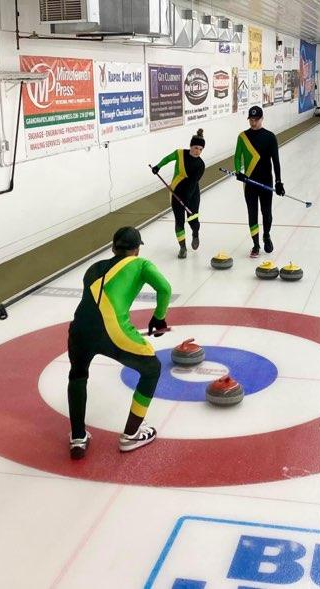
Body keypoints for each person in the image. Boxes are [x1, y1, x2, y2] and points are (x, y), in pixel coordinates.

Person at [66, 226, 172, 459]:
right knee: (152, 369)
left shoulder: (93, 269)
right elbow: (164, 288)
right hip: (113, 333)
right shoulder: (141, 264)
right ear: (136, 250)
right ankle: (131, 435)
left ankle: (78, 438)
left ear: (113, 248)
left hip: (79, 330)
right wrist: (159, 317)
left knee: (78, 374)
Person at [234, 106, 284, 258]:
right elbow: (237, 157)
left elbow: (275, 161)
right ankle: (255, 244)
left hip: (266, 181)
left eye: (256, 120)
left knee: (267, 213)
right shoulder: (242, 137)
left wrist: (279, 181)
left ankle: (266, 235)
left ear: (262, 119)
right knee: (252, 213)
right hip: (249, 182)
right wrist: (239, 172)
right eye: (251, 120)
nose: (253, 123)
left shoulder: (270, 137)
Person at [152, 129, 206, 259]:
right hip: (176, 191)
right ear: (190, 146)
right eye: (195, 148)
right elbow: (167, 159)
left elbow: (192, 184)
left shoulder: (200, 165)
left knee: (193, 220)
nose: (197, 151)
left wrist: (186, 199)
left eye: (200, 149)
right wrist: (158, 166)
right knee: (179, 220)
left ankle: (195, 234)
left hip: (192, 195)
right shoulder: (180, 153)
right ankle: (182, 247)